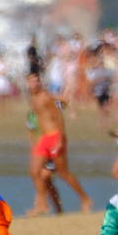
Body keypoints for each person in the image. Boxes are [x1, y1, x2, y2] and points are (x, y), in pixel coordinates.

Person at [25, 71, 93, 215]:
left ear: (40, 82)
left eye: (36, 81)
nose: (34, 84)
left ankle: (85, 199)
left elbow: (58, 116)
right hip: (44, 139)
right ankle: (42, 205)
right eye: (31, 81)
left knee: (63, 173)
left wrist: (61, 139)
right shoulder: (33, 98)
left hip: (55, 137)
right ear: (27, 83)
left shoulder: (46, 97)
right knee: (34, 171)